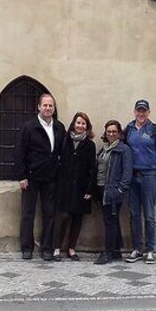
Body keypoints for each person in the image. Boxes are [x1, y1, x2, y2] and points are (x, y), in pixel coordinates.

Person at [15, 93, 66, 261]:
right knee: (28, 213)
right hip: (31, 177)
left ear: (54, 108)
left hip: (51, 177)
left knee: (49, 214)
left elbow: (61, 152)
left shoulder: (59, 127)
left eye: (51, 106)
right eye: (45, 105)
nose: (48, 108)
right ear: (39, 107)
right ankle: (27, 247)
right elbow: (20, 153)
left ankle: (46, 248)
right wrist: (22, 176)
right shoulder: (29, 127)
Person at [124, 99, 156, 264]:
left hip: (149, 177)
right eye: (138, 111)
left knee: (149, 216)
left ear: (148, 112)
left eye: (144, 111)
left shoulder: (155, 130)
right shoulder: (128, 129)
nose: (141, 114)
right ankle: (137, 248)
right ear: (134, 111)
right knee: (134, 215)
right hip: (132, 177)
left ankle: (150, 249)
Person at [53, 112, 97, 261]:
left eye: (83, 123)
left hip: (81, 188)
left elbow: (92, 169)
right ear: (74, 124)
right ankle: (57, 248)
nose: (80, 126)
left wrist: (89, 190)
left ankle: (71, 248)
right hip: (64, 186)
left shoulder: (90, 145)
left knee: (77, 218)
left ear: (87, 127)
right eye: (78, 123)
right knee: (63, 217)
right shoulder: (65, 140)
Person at [93, 120, 133, 265]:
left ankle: (108, 253)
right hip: (102, 188)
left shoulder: (124, 150)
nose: (111, 134)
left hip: (113, 190)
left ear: (119, 133)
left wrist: (120, 190)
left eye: (114, 131)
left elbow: (127, 173)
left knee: (109, 221)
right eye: (109, 131)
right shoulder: (104, 149)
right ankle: (116, 250)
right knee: (111, 220)